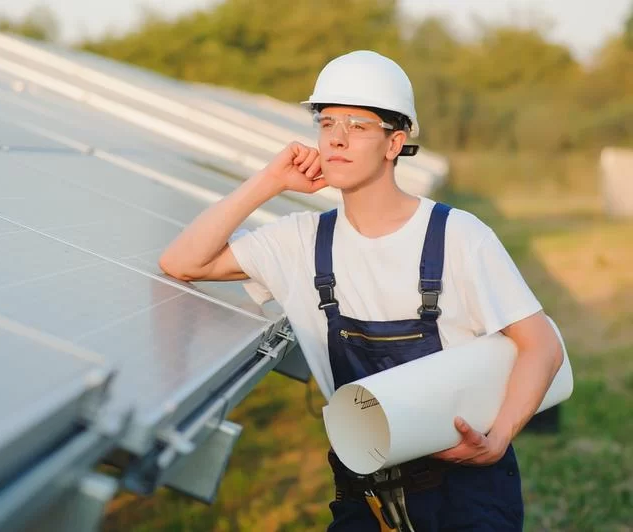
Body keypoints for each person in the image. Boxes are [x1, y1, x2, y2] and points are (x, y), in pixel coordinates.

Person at [159, 50, 564, 531]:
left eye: (358, 126)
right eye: (327, 123)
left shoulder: (458, 235)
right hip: (365, 493)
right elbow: (183, 262)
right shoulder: (301, 241)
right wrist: (269, 181)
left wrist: (497, 439)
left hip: (466, 490)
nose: (337, 139)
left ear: (394, 142)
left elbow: (541, 344)